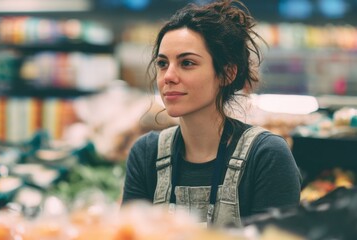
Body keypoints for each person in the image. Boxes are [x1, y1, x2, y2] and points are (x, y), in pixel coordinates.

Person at [121, 0, 302, 227]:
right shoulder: (146, 154)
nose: (168, 76)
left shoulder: (265, 156)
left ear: (227, 73)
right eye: (162, 63)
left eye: (187, 63)